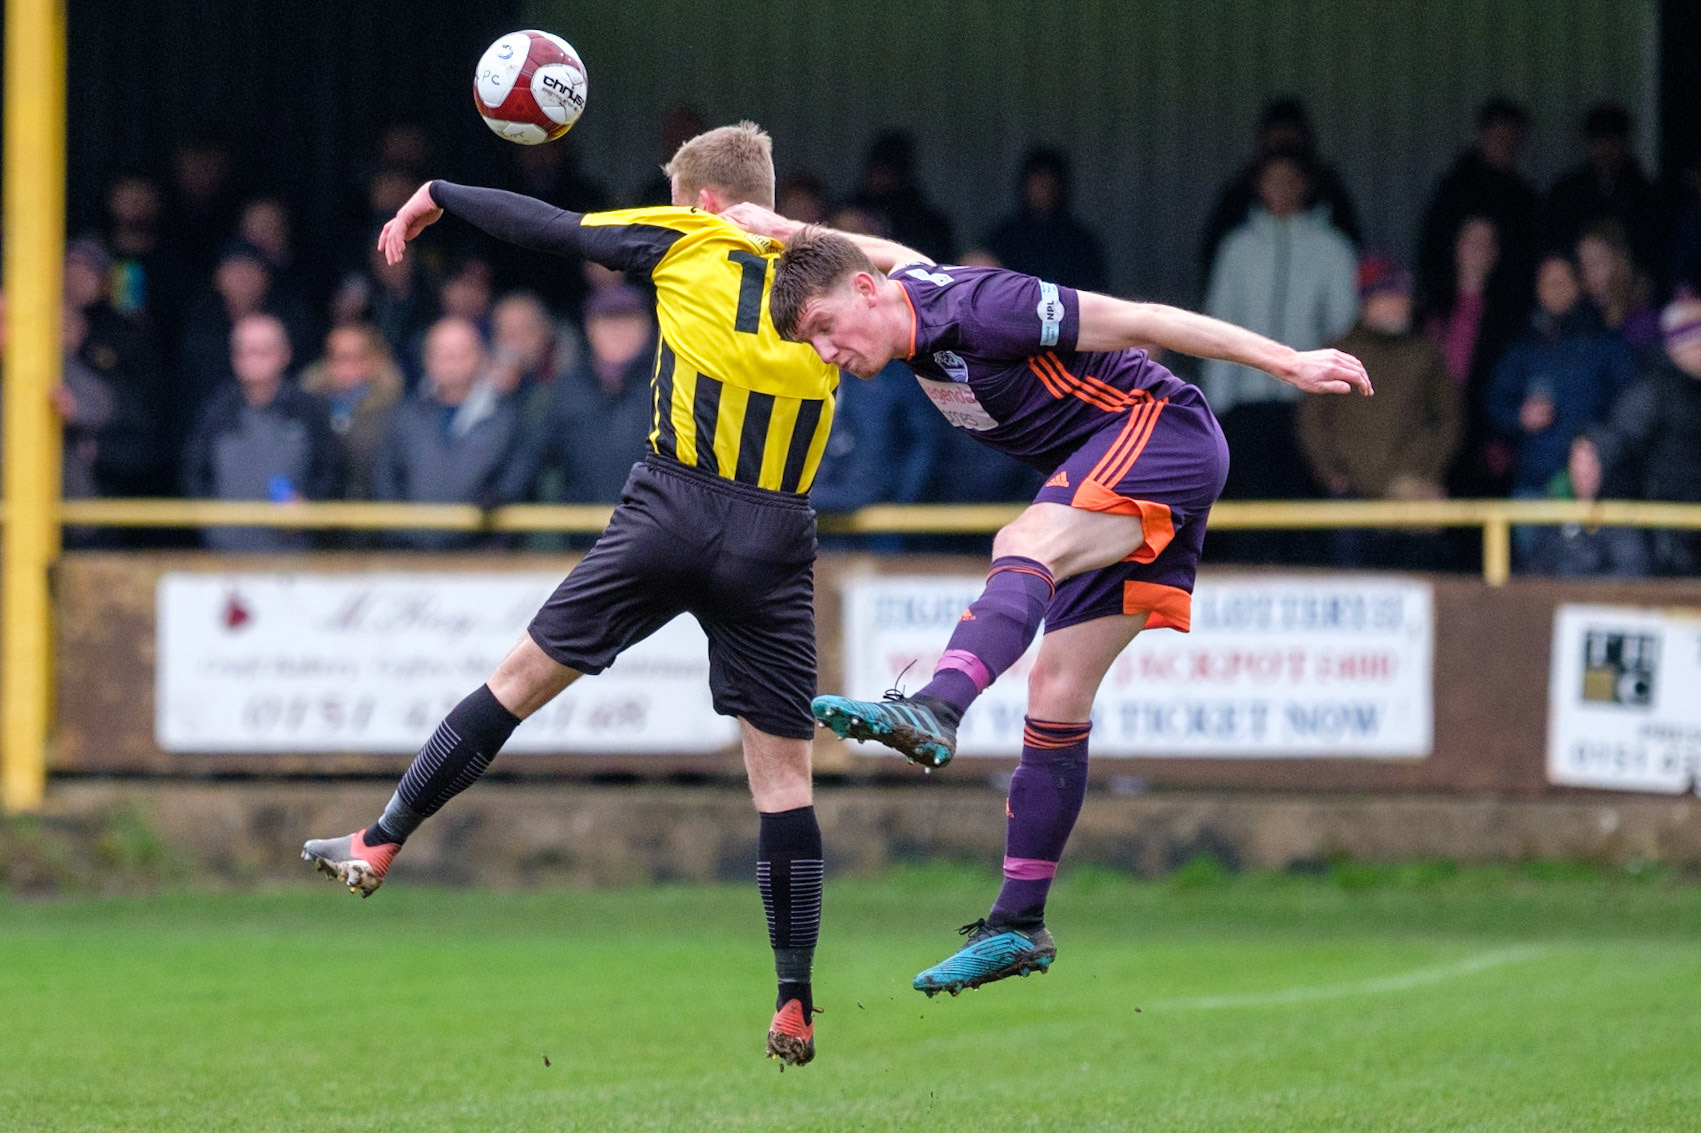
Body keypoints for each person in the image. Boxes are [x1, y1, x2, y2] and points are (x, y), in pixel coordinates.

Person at [301, 123, 840, 1068]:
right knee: (785, 783)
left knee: (514, 684)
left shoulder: (688, 237)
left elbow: (550, 226)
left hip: (673, 508)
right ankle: (793, 999)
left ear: (704, 202)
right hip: (773, 535)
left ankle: (382, 838)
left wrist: (441, 193)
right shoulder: (838, 274)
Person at [726, 208, 1369, 998]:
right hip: (1105, 469)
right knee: (1056, 688)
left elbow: (1142, 319)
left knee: (1023, 541)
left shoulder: (988, 305)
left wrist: (1286, 360)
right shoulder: (906, 296)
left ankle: (936, 707)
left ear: (864, 291)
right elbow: (891, 253)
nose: (826, 352)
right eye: (811, 343)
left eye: (825, 328)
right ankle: (1018, 922)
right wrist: (780, 226)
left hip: (1158, 434)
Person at [1297, 258, 1461, 568]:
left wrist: (1429, 473)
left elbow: (1449, 420)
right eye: (1391, 295)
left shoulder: (1425, 354)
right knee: (1351, 583)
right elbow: (1312, 421)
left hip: (1412, 494)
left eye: (1404, 296)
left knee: (1416, 582)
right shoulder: (1338, 352)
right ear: (1368, 302)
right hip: (1351, 495)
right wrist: (1330, 473)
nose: (1401, 304)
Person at [181, 313, 337, 552]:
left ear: (285, 354)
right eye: (245, 351)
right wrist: (211, 526)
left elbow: (330, 473)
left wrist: (308, 505)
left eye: (263, 351)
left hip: (294, 557)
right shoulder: (216, 411)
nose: (253, 359)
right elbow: (194, 475)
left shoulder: (308, 410)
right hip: (224, 556)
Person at [1487, 254, 1635, 501]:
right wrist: (1520, 417)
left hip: (1590, 485)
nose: (1556, 288)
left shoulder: (1604, 342)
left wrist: (1595, 444)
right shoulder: (1522, 347)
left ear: (1578, 285)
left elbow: (1626, 407)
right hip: (1533, 482)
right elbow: (1495, 403)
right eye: (1548, 282)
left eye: (1563, 280)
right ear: (1537, 289)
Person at [1568, 298, 1701, 575]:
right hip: (1665, 535)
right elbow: (1619, 447)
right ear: (1677, 346)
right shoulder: (1653, 392)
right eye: (1696, 339)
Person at [371, 316, 528, 550]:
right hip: (409, 554)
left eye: (460, 353)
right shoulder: (404, 415)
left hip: (481, 556)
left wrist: (485, 530)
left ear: (481, 357)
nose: (451, 363)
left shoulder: (508, 419)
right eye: (442, 354)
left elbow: (512, 484)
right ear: (427, 360)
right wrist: (401, 535)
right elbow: (385, 481)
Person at [514, 284, 655, 511]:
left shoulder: (667, 389)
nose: (618, 331)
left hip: (652, 528)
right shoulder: (568, 389)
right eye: (607, 321)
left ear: (647, 327)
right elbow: (532, 455)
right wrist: (503, 492)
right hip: (582, 529)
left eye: (628, 320)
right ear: (590, 328)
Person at [1200, 97, 1361, 278]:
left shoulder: (1332, 237)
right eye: (1274, 183)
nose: (1282, 190)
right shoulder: (1238, 238)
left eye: (1290, 182)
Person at [1415, 99, 1540, 317]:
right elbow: (1433, 251)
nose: (1505, 146)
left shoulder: (1525, 198)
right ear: (1483, 136)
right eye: (1499, 138)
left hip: (1509, 308)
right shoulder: (1454, 190)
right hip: (1453, 304)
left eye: (1512, 140)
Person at [1545, 102, 1659, 276]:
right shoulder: (1567, 192)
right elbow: (1556, 243)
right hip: (1577, 281)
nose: (1605, 150)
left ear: (1624, 144)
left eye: (1612, 142)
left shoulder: (1643, 193)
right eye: (1598, 142)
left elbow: (1650, 247)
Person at [299, 323, 404, 502]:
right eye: (333, 356)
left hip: (370, 509)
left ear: (373, 361)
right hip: (318, 511)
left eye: (350, 357)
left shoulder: (392, 412)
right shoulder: (307, 406)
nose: (340, 365)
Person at [982, 147, 1108, 293]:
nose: (1043, 189)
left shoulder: (1080, 243)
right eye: (1038, 182)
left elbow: (1093, 293)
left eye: (1049, 182)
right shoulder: (1002, 238)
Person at [850, 129, 955, 263]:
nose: (880, 178)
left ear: (901, 174)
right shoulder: (851, 211)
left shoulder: (927, 223)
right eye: (877, 170)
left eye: (887, 171)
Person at [1575, 219, 1659, 351]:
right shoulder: (1579, 310)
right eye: (1583, 262)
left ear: (1618, 260)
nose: (1589, 271)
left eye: (1598, 260)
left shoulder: (1641, 315)